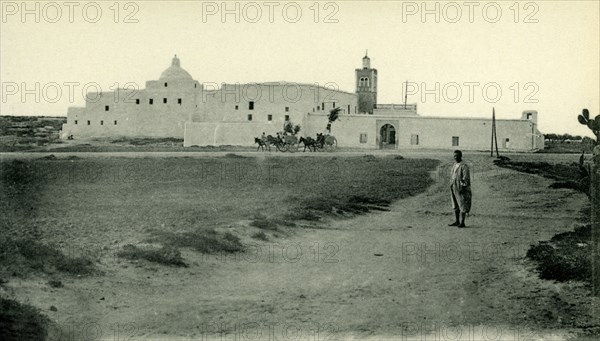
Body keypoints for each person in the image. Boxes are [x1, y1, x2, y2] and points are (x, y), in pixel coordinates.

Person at [449, 150, 471, 228]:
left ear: (460, 156)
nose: (455, 157)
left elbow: (466, 178)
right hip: (453, 186)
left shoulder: (464, 166)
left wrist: (463, 187)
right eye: (454, 156)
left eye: (457, 156)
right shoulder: (455, 165)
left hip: (461, 187)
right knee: (455, 204)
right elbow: (452, 175)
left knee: (462, 204)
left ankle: (462, 222)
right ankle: (457, 221)